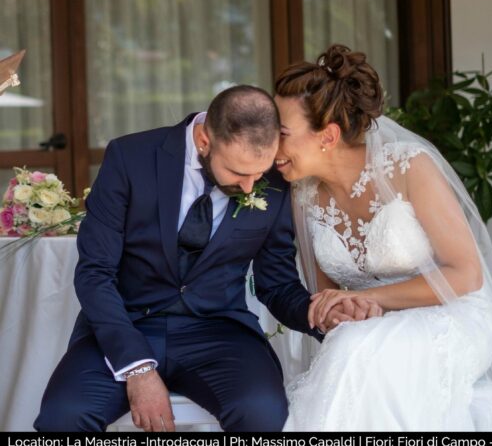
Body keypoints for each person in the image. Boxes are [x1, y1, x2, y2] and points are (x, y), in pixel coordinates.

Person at [33, 85, 370, 432]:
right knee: (64, 416)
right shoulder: (130, 157)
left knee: (264, 413)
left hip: (220, 334)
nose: (252, 187)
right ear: (205, 141)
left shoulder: (273, 181)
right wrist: (137, 368)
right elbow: (95, 274)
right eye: (239, 173)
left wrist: (320, 314)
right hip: (125, 326)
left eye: (260, 172)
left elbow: (277, 283)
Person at [273, 45, 492, 431]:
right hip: (370, 326)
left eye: (281, 133)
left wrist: (367, 298)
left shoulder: (408, 167)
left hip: (453, 313)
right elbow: (328, 296)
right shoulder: (303, 196)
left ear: (327, 136)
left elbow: (466, 275)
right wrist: (345, 311)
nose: (272, 147)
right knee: (351, 347)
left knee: (357, 352)